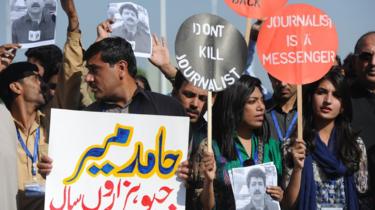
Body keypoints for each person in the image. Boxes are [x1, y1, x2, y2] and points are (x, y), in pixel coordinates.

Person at [195, 75, 283, 210]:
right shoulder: (211, 148)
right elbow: (206, 207)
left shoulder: (271, 146)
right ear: (235, 105)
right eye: (252, 101)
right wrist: (209, 181)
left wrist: (280, 196)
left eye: (262, 100)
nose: (261, 107)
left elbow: (288, 202)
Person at [283, 70, 368, 210]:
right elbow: (289, 205)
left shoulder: (354, 145)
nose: (328, 100)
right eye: (321, 92)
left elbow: (363, 196)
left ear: (343, 106)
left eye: (336, 95)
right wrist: (298, 169)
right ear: (311, 97)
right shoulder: (294, 145)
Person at [0, 62, 48, 210]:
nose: (43, 84)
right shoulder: (3, 132)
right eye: (35, 78)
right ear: (16, 87)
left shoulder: (50, 126)